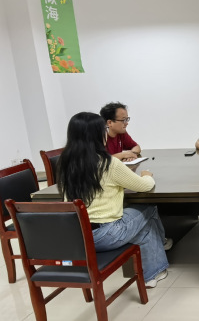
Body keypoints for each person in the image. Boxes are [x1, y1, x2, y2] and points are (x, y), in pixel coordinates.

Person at [56, 112, 170, 288]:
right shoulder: (108, 163)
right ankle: (157, 259)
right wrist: (147, 175)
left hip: (78, 236)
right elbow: (144, 186)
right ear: (96, 135)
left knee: (143, 227)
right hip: (106, 235)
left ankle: (155, 270)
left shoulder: (65, 164)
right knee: (148, 208)